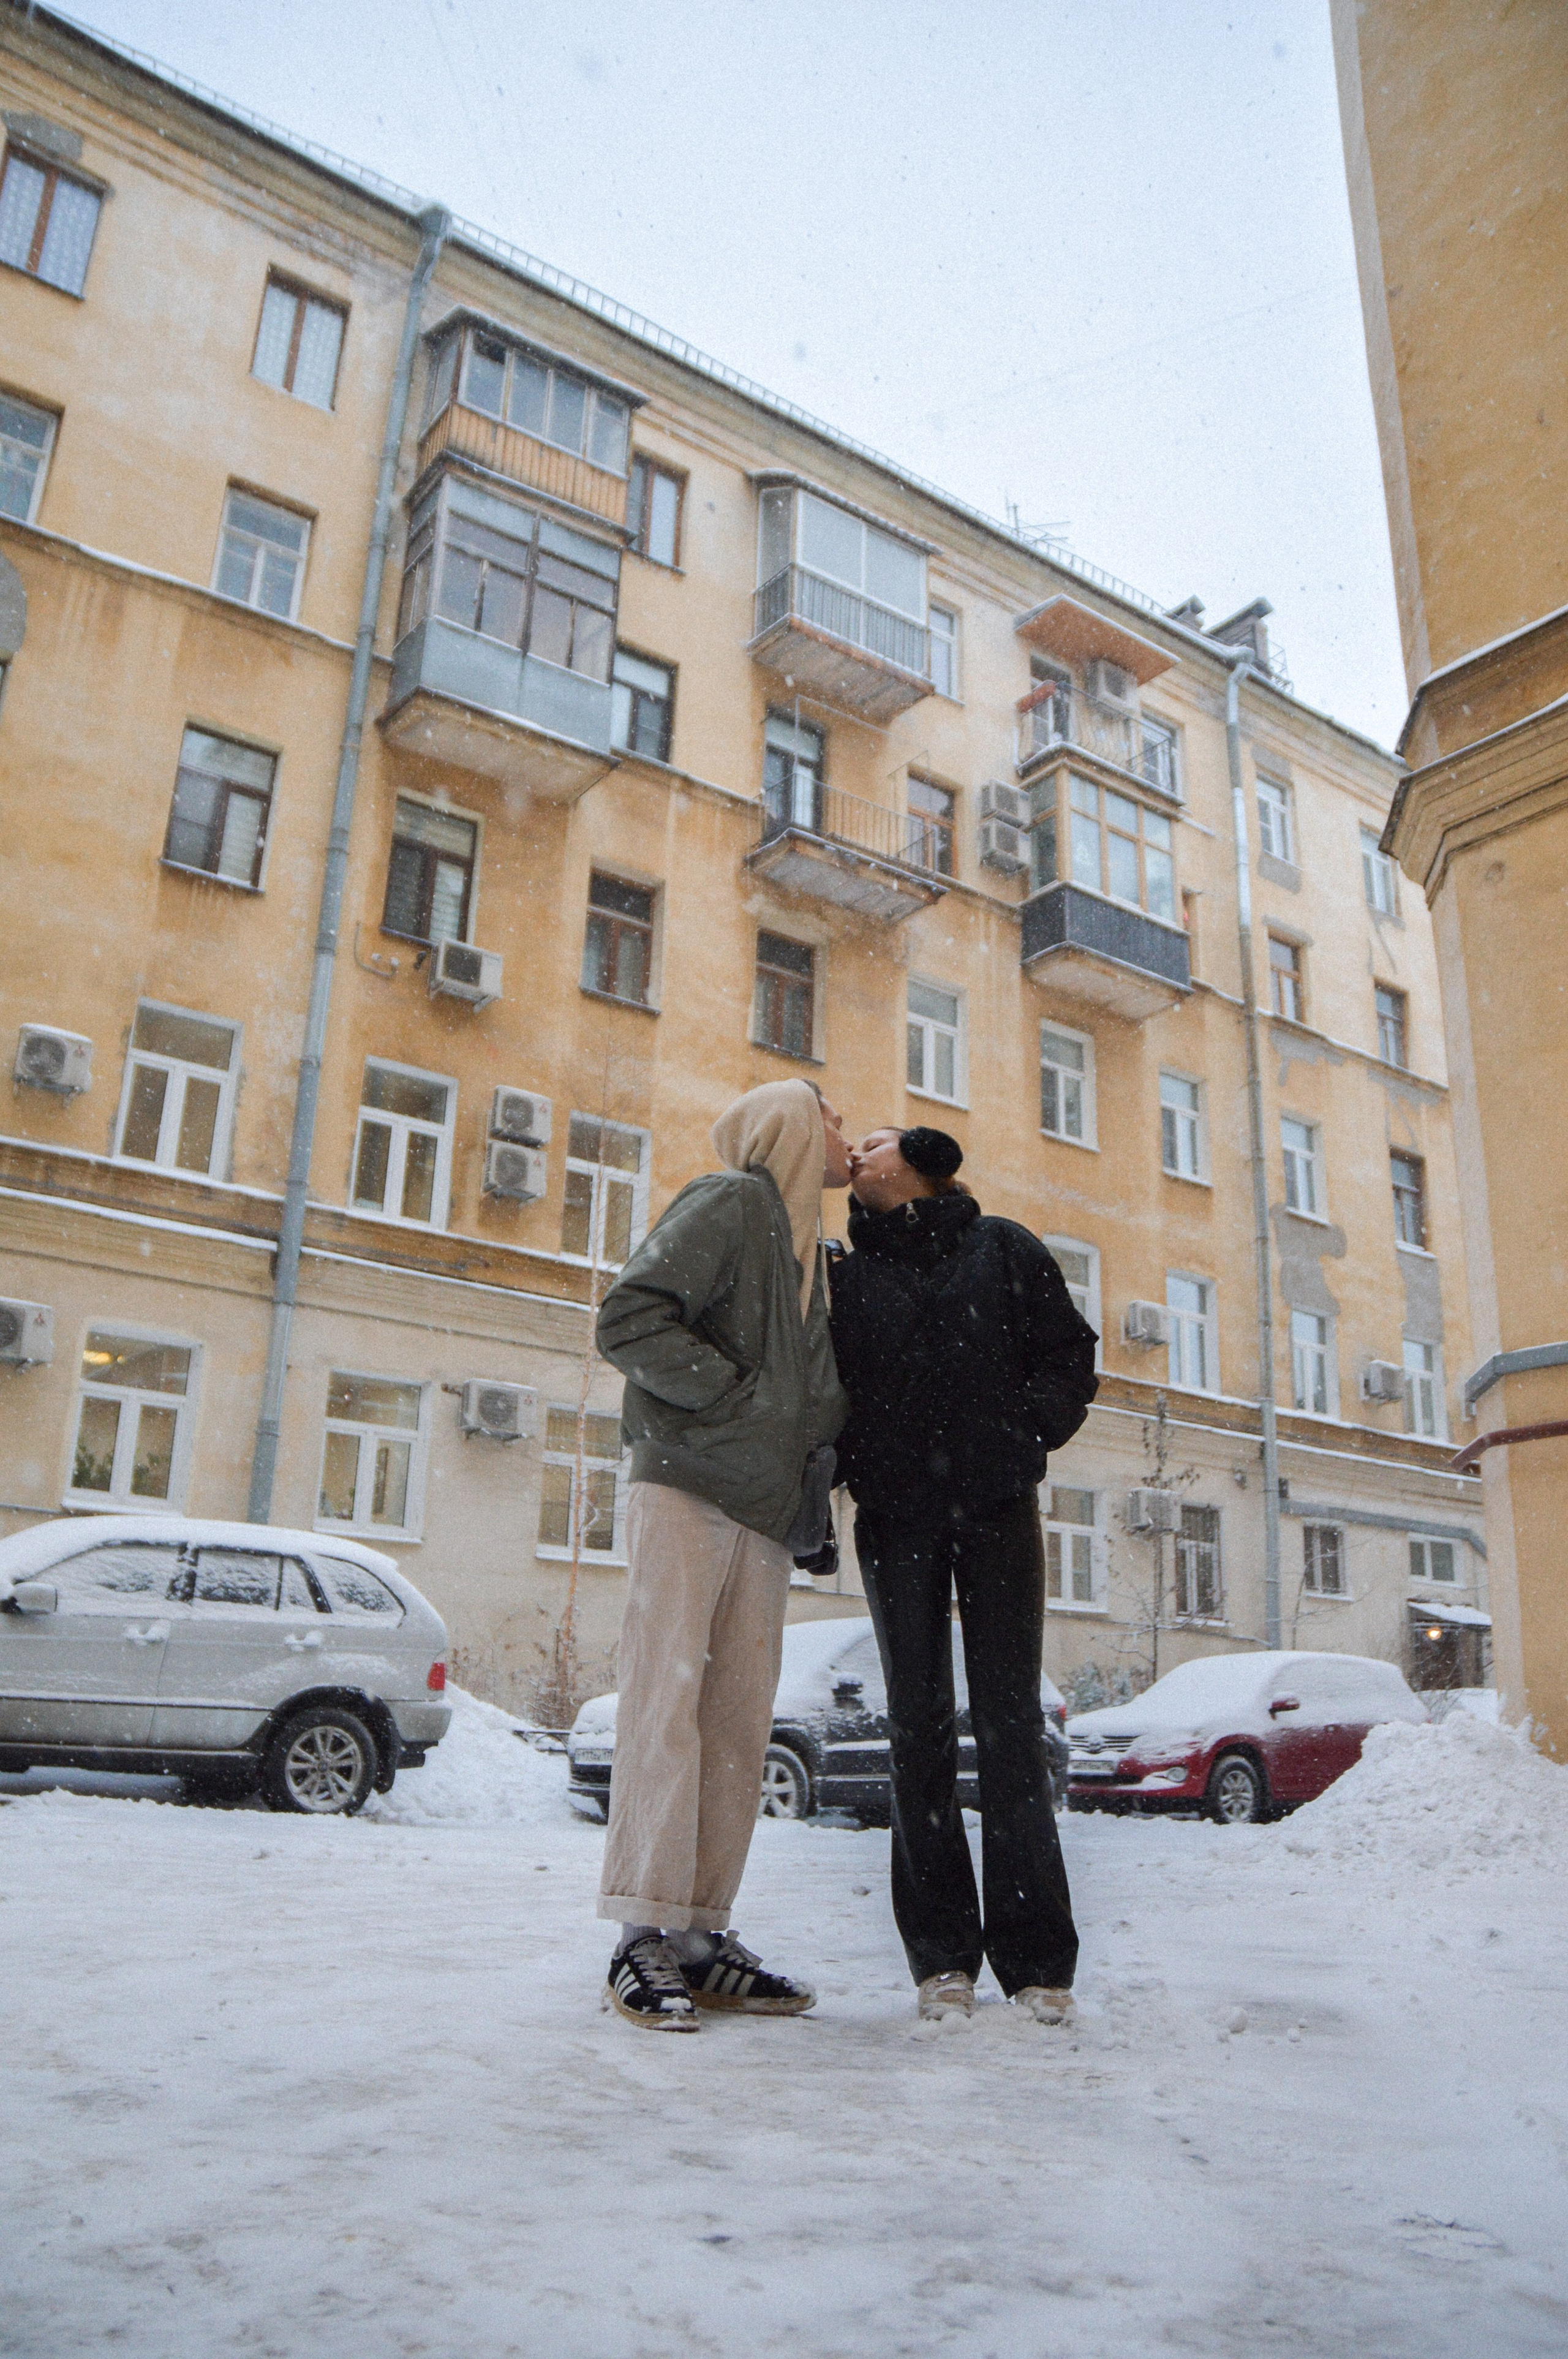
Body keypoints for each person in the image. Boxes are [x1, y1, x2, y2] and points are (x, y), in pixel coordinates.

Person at [592, 1079, 852, 2030]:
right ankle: (639, 1937)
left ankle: (700, 1936)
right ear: (791, 1123)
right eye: (832, 1113)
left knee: (737, 1726)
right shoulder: (733, 1201)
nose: (844, 1130)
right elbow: (629, 1317)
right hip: (688, 1489)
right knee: (667, 1703)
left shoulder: (816, 1258)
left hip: (763, 1514)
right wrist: (736, 1406)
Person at [828, 1125, 1098, 2025]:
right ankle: (942, 1960)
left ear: (913, 1162)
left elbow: (1069, 1353)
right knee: (918, 1722)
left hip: (995, 1507)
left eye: (870, 1144)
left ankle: (1036, 1966)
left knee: (1013, 1720)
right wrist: (847, 1462)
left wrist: (1025, 1436)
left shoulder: (1003, 1247)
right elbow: (827, 1386)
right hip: (896, 1512)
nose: (856, 1157)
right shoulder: (846, 1273)